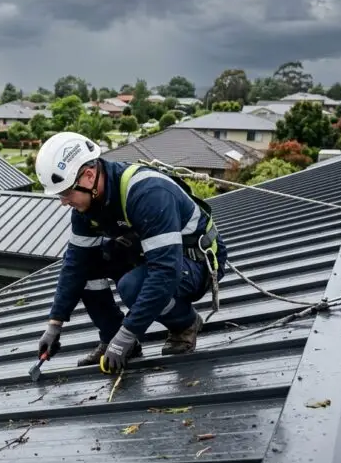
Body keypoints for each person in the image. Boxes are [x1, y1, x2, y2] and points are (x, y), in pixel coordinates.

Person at [34, 131, 228, 373]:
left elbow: (165, 272)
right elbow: (75, 265)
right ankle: (110, 335)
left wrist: (128, 334)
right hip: (153, 255)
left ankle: (185, 325)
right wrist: (55, 324)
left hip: (196, 261)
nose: (63, 201)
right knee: (87, 266)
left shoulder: (148, 193)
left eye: (65, 193)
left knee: (133, 287)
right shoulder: (87, 207)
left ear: (89, 175)